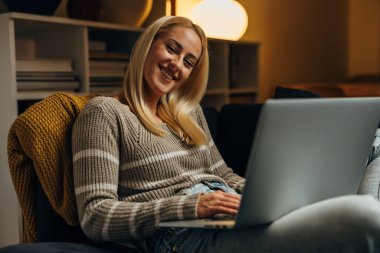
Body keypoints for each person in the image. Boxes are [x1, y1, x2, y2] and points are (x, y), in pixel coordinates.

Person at [72, 16, 380, 253]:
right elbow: (96, 217)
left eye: (188, 62)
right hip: (182, 236)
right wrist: (193, 207)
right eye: (172, 48)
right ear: (148, 43)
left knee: (376, 144)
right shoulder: (105, 113)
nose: (176, 65)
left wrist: (269, 196)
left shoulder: (188, 115)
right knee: (362, 214)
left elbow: (224, 175)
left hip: (231, 214)